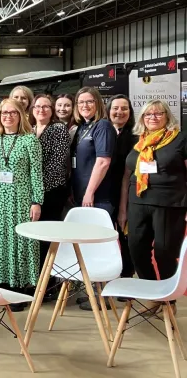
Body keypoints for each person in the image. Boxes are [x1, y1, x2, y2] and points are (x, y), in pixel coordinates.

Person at [118, 100, 187, 314]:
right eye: (148, 114)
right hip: (138, 202)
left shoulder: (180, 139)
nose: (153, 118)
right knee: (136, 248)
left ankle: (168, 298)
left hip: (169, 203)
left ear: (167, 116)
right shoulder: (139, 142)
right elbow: (127, 176)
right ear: (142, 119)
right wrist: (123, 209)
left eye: (158, 114)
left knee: (164, 251)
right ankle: (153, 292)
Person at [0, 99, 44, 311]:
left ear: (21, 115)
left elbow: (36, 173)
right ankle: (2, 282)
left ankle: (22, 288)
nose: (8, 116)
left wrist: (36, 201)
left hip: (21, 198)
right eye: (4, 113)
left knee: (21, 241)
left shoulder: (30, 140)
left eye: (13, 112)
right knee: (1, 239)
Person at [32, 94, 70, 300]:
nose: (42, 110)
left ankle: (48, 285)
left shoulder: (58, 130)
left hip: (52, 191)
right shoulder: (29, 130)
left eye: (46, 106)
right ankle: (37, 280)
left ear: (52, 110)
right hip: (35, 193)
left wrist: (37, 189)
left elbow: (56, 164)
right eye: (38, 106)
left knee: (47, 238)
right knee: (36, 238)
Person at [71, 87, 116, 217]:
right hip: (81, 195)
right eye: (81, 102)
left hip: (98, 198)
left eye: (89, 101)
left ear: (98, 103)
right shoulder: (82, 127)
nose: (84, 105)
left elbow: (103, 162)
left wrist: (89, 193)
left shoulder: (103, 126)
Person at [107, 95, 136, 280]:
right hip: (105, 194)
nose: (119, 112)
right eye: (115, 108)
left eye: (124, 108)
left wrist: (124, 207)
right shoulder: (102, 131)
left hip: (127, 193)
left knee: (126, 239)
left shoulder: (136, 136)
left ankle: (126, 277)